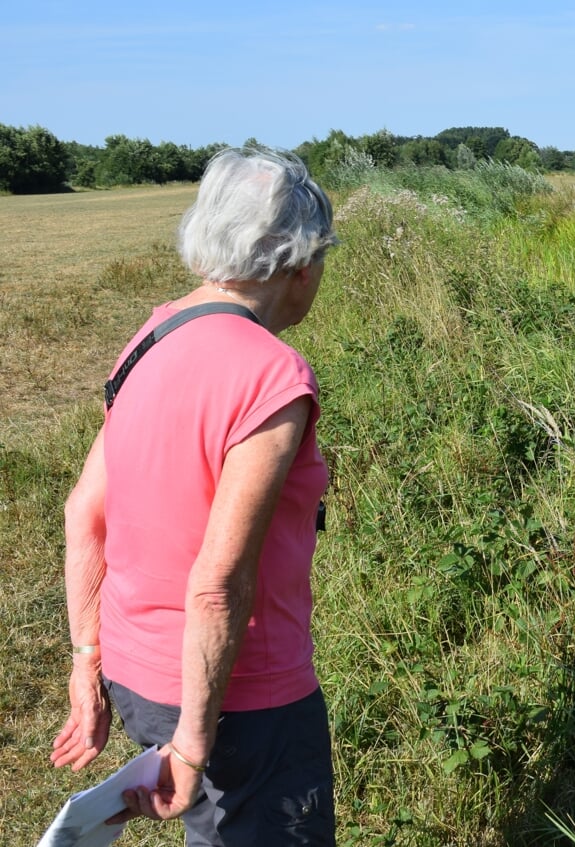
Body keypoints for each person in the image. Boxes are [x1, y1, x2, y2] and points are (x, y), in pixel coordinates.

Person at [50, 146, 339, 845]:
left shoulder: (152, 335)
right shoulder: (273, 378)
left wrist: (86, 658)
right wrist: (193, 742)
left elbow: (83, 513)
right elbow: (215, 585)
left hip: (134, 674)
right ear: (298, 263)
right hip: (243, 695)